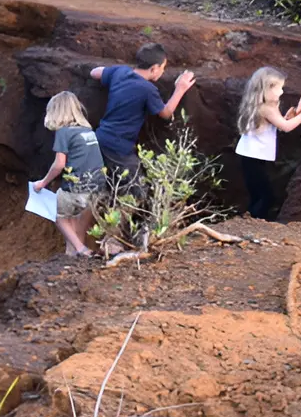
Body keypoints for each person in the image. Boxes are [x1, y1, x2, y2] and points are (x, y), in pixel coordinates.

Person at [89, 43, 196, 177]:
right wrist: (180, 88)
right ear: (154, 68)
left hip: (100, 137)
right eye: (163, 68)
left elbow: (94, 72)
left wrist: (113, 72)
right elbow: (166, 113)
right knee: (136, 189)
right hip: (119, 146)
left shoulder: (120, 72)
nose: (163, 71)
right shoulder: (147, 89)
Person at [31, 91, 107, 257]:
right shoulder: (87, 131)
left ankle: (81, 250)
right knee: (75, 219)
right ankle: (71, 255)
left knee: (58, 215)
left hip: (77, 187)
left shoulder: (64, 132)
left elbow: (59, 165)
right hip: (98, 187)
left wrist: (42, 183)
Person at [235, 66, 301, 219]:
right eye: (280, 88)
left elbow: (278, 124)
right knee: (266, 196)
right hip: (253, 157)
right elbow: (286, 128)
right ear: (268, 88)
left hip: (252, 155)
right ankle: (253, 221)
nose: (282, 92)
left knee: (259, 194)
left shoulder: (267, 106)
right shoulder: (266, 108)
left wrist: (289, 116)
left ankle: (252, 219)